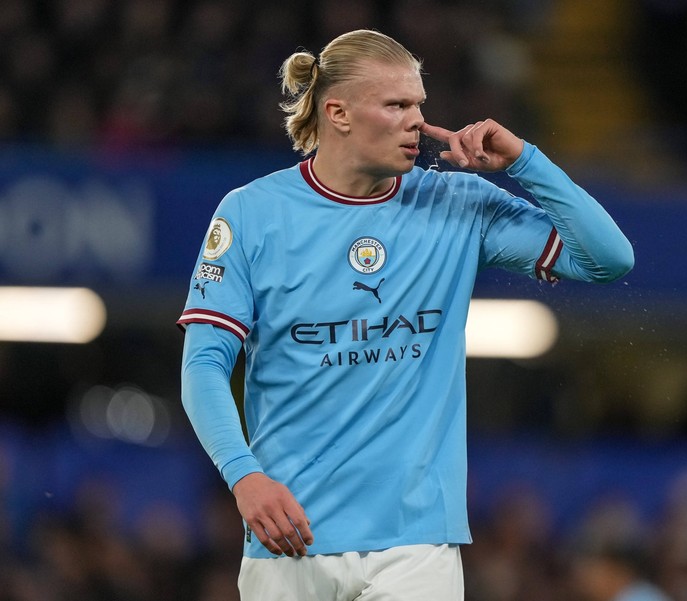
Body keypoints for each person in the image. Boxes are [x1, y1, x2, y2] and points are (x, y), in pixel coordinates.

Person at [177, 29, 634, 601]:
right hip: (290, 537)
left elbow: (608, 260)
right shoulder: (251, 213)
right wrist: (244, 476)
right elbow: (203, 366)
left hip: (417, 546)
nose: (417, 120)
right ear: (337, 112)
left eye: (419, 104)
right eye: (397, 105)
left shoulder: (458, 202)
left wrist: (524, 160)